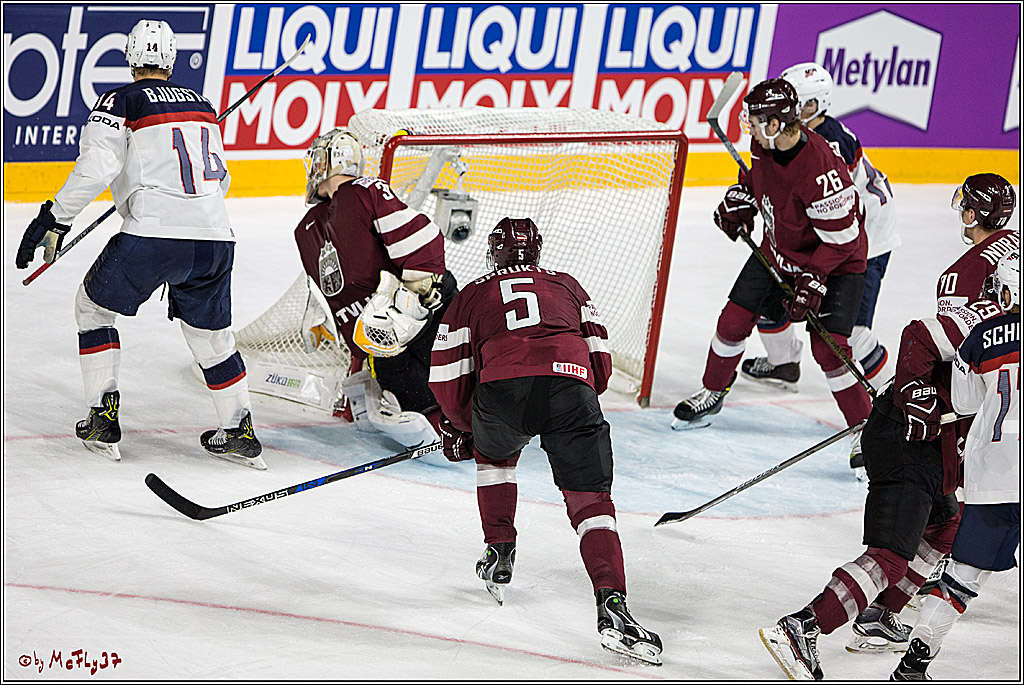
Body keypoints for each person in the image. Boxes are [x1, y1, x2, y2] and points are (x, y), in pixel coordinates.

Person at [758, 175, 1017, 681]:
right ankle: (803, 627)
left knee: (948, 526)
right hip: (908, 435)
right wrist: (918, 398)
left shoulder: (988, 292)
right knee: (892, 558)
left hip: (939, 437)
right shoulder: (991, 308)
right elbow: (920, 337)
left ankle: (879, 615)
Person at [14, 20, 263, 469]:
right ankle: (239, 428)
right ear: (170, 60)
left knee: (92, 309)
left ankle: (102, 416)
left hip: (153, 233)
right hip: (215, 239)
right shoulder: (203, 105)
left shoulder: (120, 100)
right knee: (212, 338)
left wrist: (55, 217)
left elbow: (94, 170)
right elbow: (221, 178)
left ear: (130, 58)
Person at [428, 218, 662, 665]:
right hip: (571, 389)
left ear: (494, 251)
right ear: (537, 250)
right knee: (592, 506)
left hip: (502, 392)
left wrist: (464, 429)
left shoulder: (471, 294)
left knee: (494, 461)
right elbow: (601, 366)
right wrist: (573, 391)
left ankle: (499, 549)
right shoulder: (568, 285)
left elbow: (445, 377)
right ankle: (612, 607)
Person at [672, 78, 872, 438]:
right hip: (779, 251)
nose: (747, 125)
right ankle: (713, 391)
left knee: (830, 350)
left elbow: (844, 240)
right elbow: (757, 181)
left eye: (754, 119)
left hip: (837, 265)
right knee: (732, 322)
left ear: (776, 124)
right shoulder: (763, 144)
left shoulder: (820, 168)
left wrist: (812, 280)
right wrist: (741, 201)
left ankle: (866, 430)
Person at [890, 249, 1019, 681]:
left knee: (964, 575)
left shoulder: (982, 336)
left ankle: (914, 661)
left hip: (993, 477)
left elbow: (965, 403)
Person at [741, 63, 900, 413]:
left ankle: (899, 397)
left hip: (864, 240)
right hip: (824, 237)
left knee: (851, 333)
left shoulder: (828, 144)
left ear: (812, 107)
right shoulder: (790, 139)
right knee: (771, 296)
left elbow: (835, 220)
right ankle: (783, 363)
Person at [295, 128, 457, 449]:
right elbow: (424, 240)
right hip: (391, 340)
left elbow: (424, 240)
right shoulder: (316, 223)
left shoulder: (354, 197)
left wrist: (417, 291)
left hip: (403, 334)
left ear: (332, 161)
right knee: (406, 374)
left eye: (318, 159)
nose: (313, 167)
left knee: (424, 375)